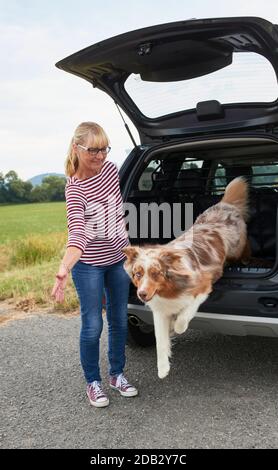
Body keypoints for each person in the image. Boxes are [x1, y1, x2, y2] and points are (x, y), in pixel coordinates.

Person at [51, 122, 138, 408]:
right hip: (88, 264)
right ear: (76, 148)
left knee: (119, 320)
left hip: (117, 261)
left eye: (104, 149)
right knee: (92, 325)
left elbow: (115, 212)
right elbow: (77, 232)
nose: (100, 156)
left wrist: (128, 250)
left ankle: (117, 375)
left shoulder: (111, 170)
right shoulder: (74, 189)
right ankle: (93, 382)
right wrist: (64, 267)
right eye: (93, 150)